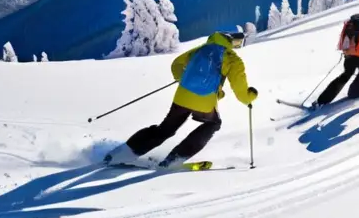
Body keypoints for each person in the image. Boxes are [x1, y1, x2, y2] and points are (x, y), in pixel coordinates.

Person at [104, 31, 258, 168]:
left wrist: (183, 79)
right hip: (204, 102)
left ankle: (121, 153)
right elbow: (240, 91)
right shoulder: (233, 59)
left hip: (182, 96)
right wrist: (249, 97)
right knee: (213, 123)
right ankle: (174, 158)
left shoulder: (199, 50)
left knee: (165, 129)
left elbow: (176, 64)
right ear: (231, 43)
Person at [314, 10, 359, 108]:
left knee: (345, 75)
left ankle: (322, 100)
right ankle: (354, 92)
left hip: (349, 57)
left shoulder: (354, 25)